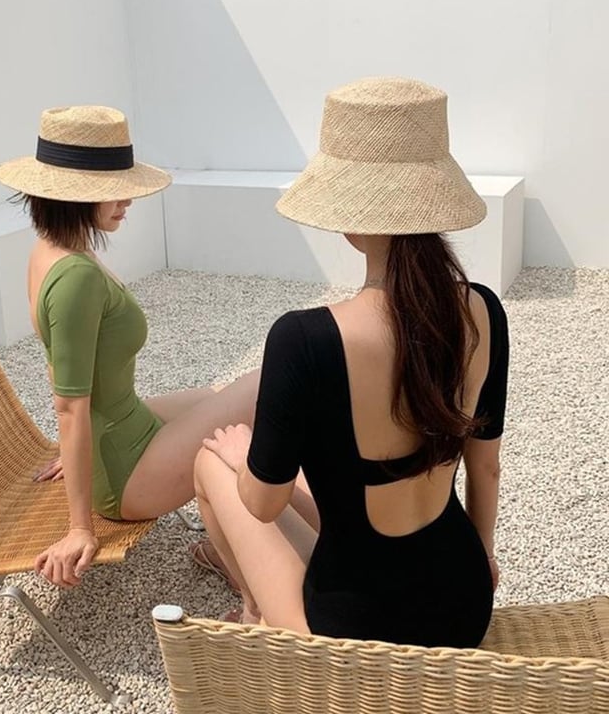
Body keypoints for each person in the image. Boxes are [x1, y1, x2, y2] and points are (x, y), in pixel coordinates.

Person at [194, 77, 508, 648]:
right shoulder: (482, 311)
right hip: (464, 606)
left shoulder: (305, 338)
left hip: (359, 635)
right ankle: (262, 605)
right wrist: (483, 557)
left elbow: (262, 503)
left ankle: (258, 612)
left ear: (348, 217)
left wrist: (244, 458)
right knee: (331, 486)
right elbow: (484, 468)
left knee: (212, 462)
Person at [0, 105, 259, 589]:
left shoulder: (52, 248)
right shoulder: (75, 278)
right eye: (115, 189)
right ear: (77, 195)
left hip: (118, 427)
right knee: (264, 390)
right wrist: (80, 527)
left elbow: (65, 370)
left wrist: (78, 448)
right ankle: (253, 569)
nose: (128, 200)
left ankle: (240, 538)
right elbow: (69, 406)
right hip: (124, 473)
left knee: (225, 397)